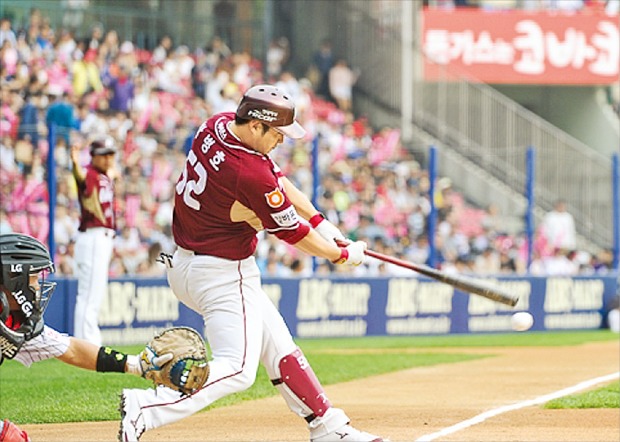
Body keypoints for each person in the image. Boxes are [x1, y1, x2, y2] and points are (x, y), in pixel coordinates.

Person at [118, 84, 386, 442]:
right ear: (257, 125)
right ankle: (146, 408)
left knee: (277, 342)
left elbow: (278, 180)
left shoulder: (219, 124)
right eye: (277, 133)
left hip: (184, 262)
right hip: (221, 272)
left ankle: (328, 427)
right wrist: (339, 253)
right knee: (238, 369)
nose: (282, 140)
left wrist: (323, 222)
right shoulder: (248, 173)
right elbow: (292, 233)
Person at [0, 233, 172, 442]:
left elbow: (71, 350)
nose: (38, 287)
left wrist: (136, 365)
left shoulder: (17, 321)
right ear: (12, 278)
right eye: (34, 277)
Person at [71, 137, 118, 346]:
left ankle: (88, 342)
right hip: (93, 236)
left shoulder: (104, 175)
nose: (108, 159)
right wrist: (74, 163)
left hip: (103, 238)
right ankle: (86, 344)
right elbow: (80, 177)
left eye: (110, 154)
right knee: (89, 293)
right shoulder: (89, 174)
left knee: (94, 293)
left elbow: (111, 172)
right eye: (104, 155)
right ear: (94, 157)